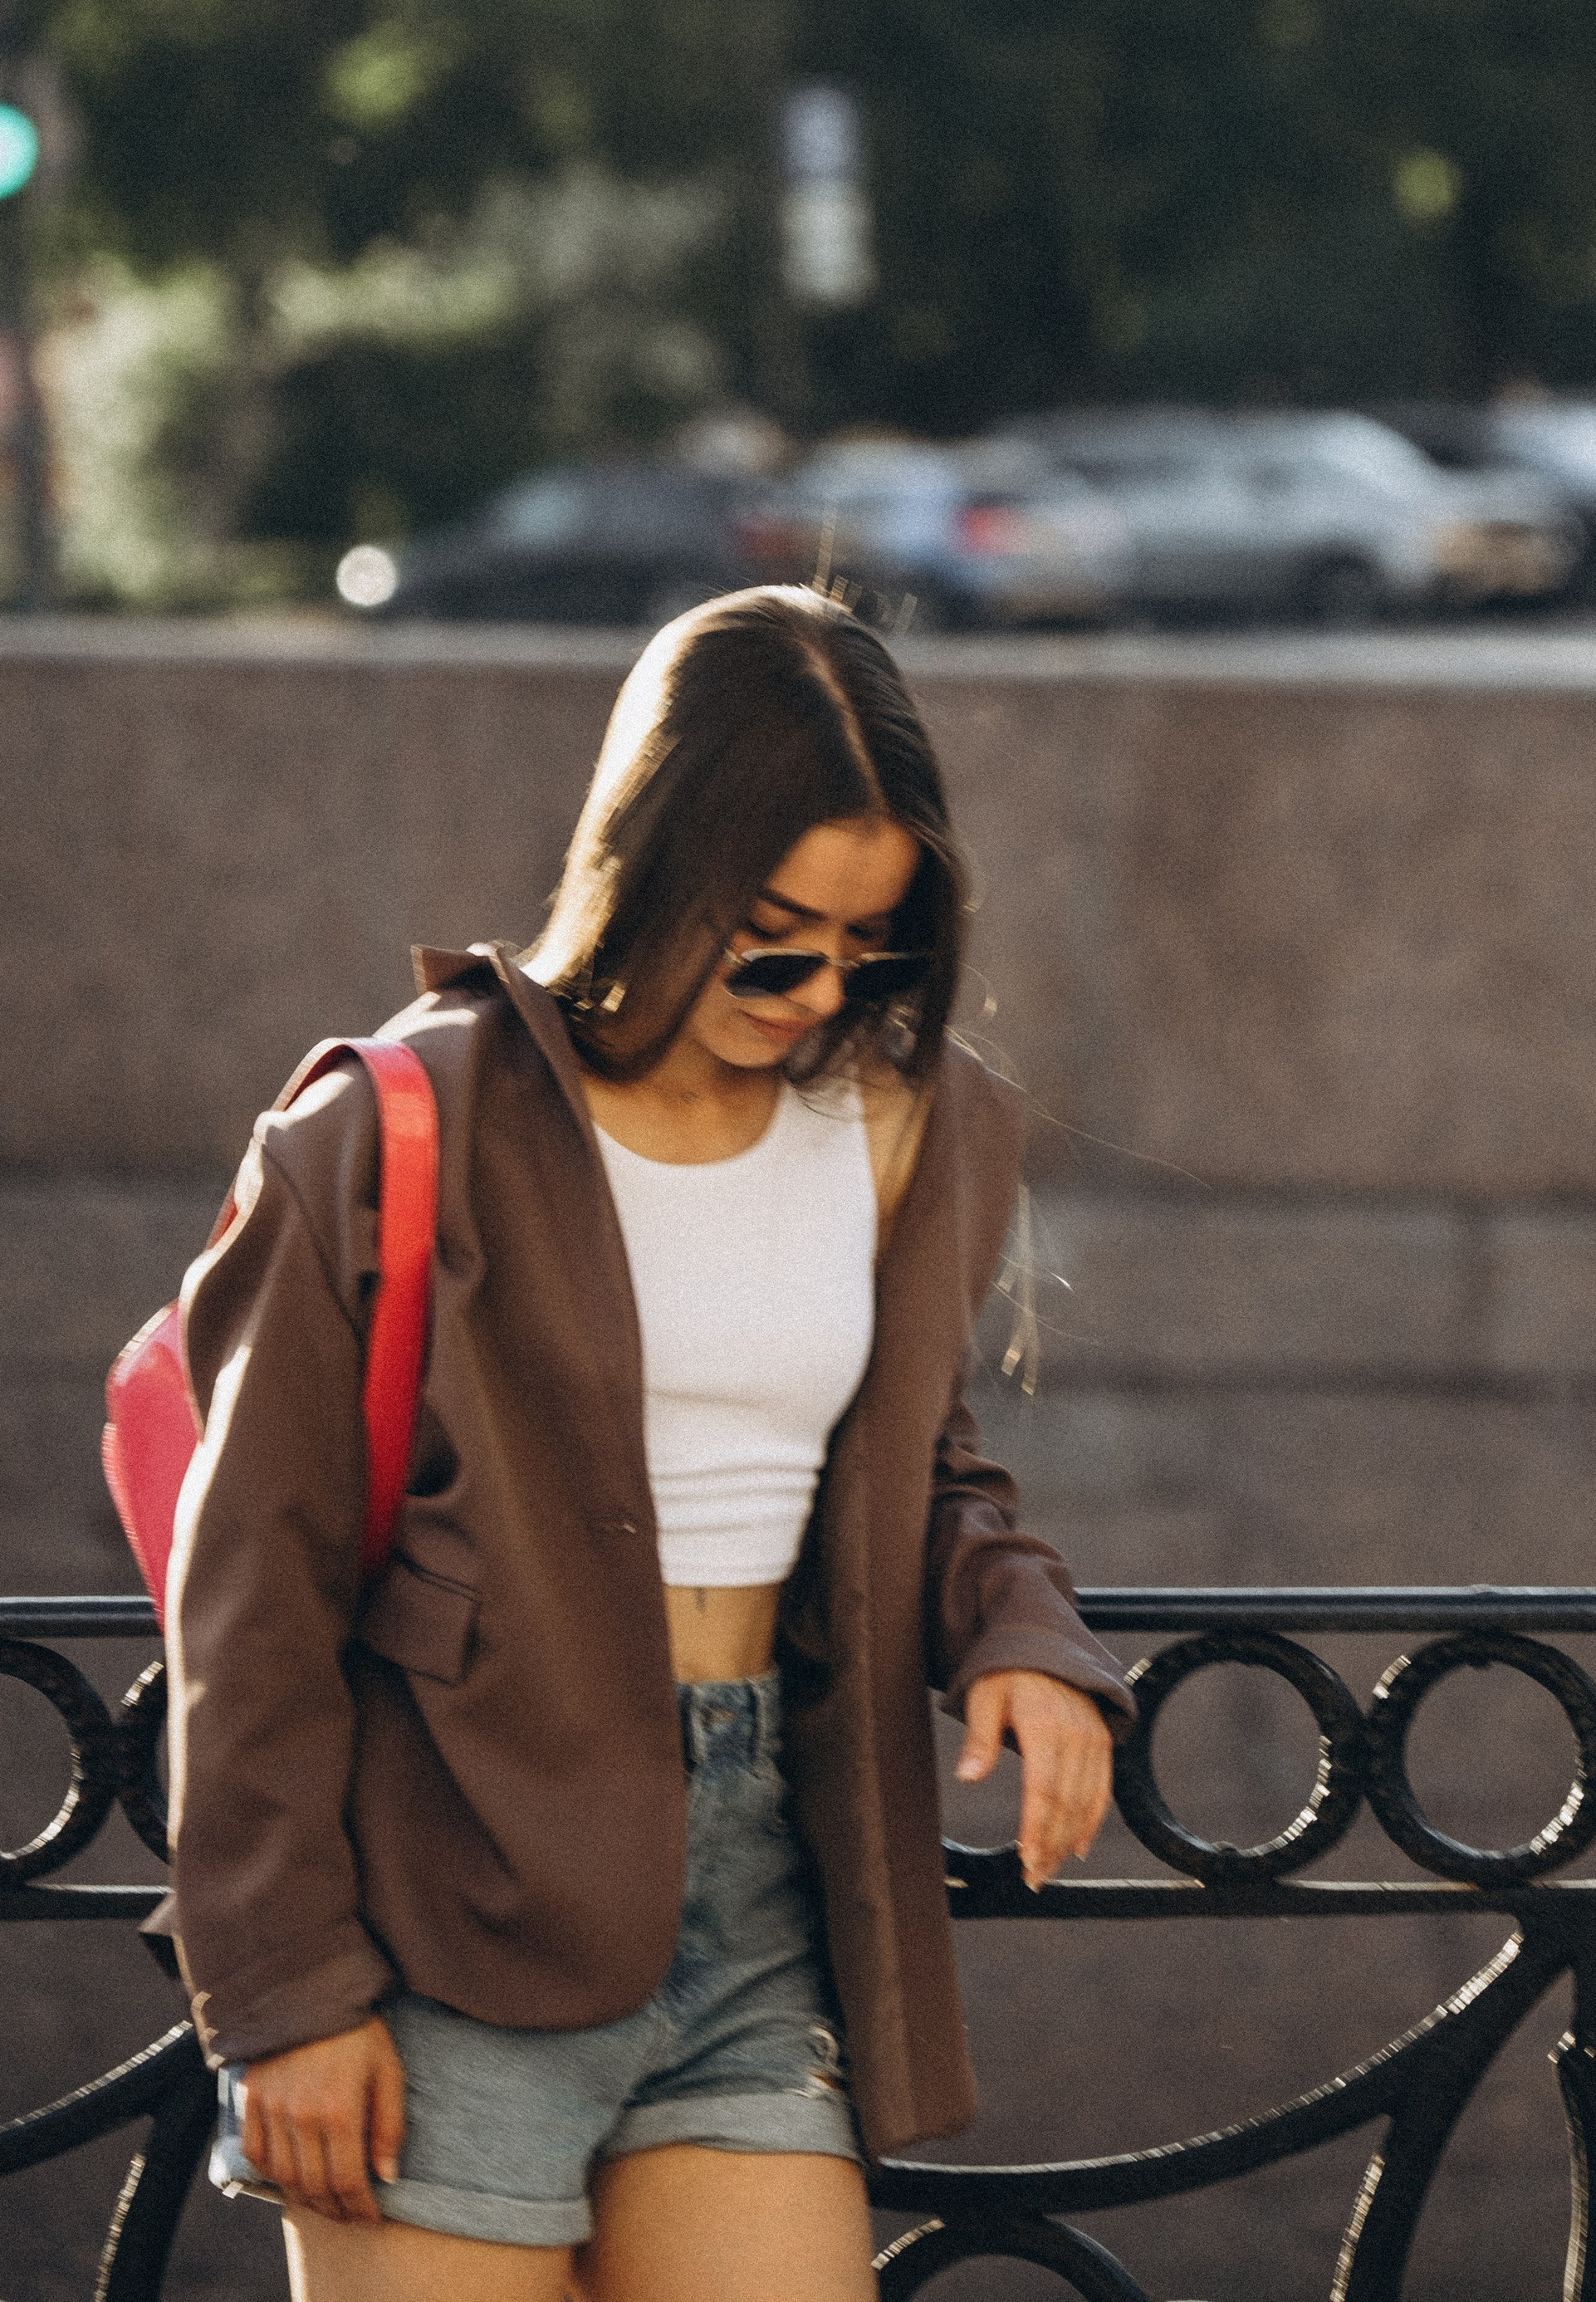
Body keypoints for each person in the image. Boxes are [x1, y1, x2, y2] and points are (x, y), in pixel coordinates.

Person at [161, 585, 1133, 2302]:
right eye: (773, 940)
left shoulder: (898, 1134)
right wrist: (287, 1990)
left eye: (873, 948)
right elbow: (252, 1589)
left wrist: (1022, 1635)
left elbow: (916, 1475)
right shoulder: (398, 1129)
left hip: (768, 1891)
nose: (819, 988)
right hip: (448, 1889)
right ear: (655, 866)